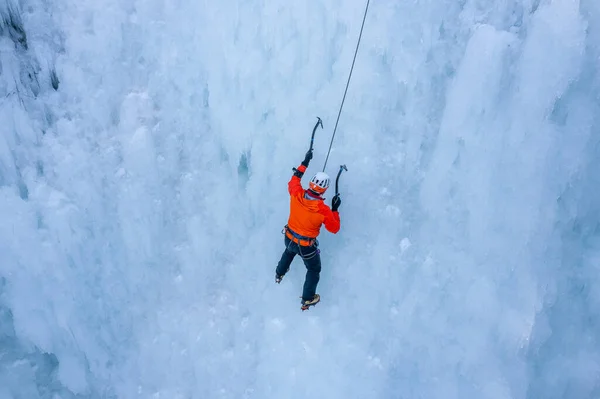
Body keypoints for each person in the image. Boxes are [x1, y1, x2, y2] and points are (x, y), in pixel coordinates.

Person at [276, 148, 341, 308]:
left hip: (289, 237)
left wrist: (305, 162)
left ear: (311, 183)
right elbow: (334, 228)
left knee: (289, 251)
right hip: (306, 246)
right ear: (324, 189)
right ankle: (307, 298)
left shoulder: (296, 193)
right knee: (313, 269)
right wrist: (335, 209)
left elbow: (294, 179)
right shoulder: (323, 210)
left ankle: (279, 273)